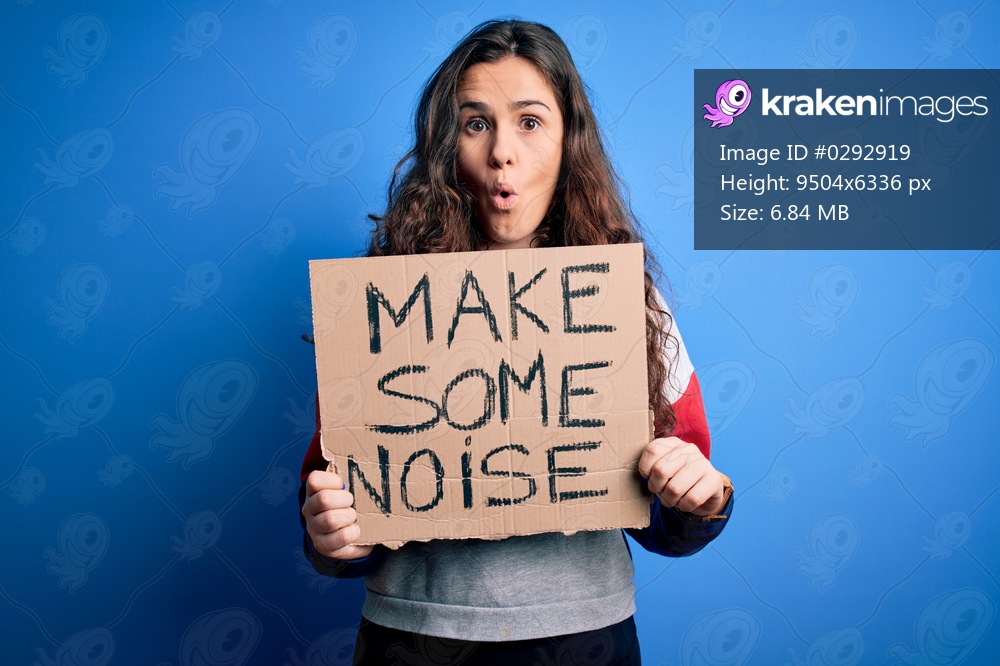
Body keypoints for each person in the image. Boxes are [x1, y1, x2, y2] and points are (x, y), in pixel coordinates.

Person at [299, 19, 733, 665]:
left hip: (585, 635)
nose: (503, 150)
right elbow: (337, 500)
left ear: (567, 143)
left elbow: (680, 510)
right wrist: (331, 534)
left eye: (530, 122)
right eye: (476, 123)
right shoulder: (385, 308)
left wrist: (701, 497)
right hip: (414, 636)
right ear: (449, 147)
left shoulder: (631, 301)